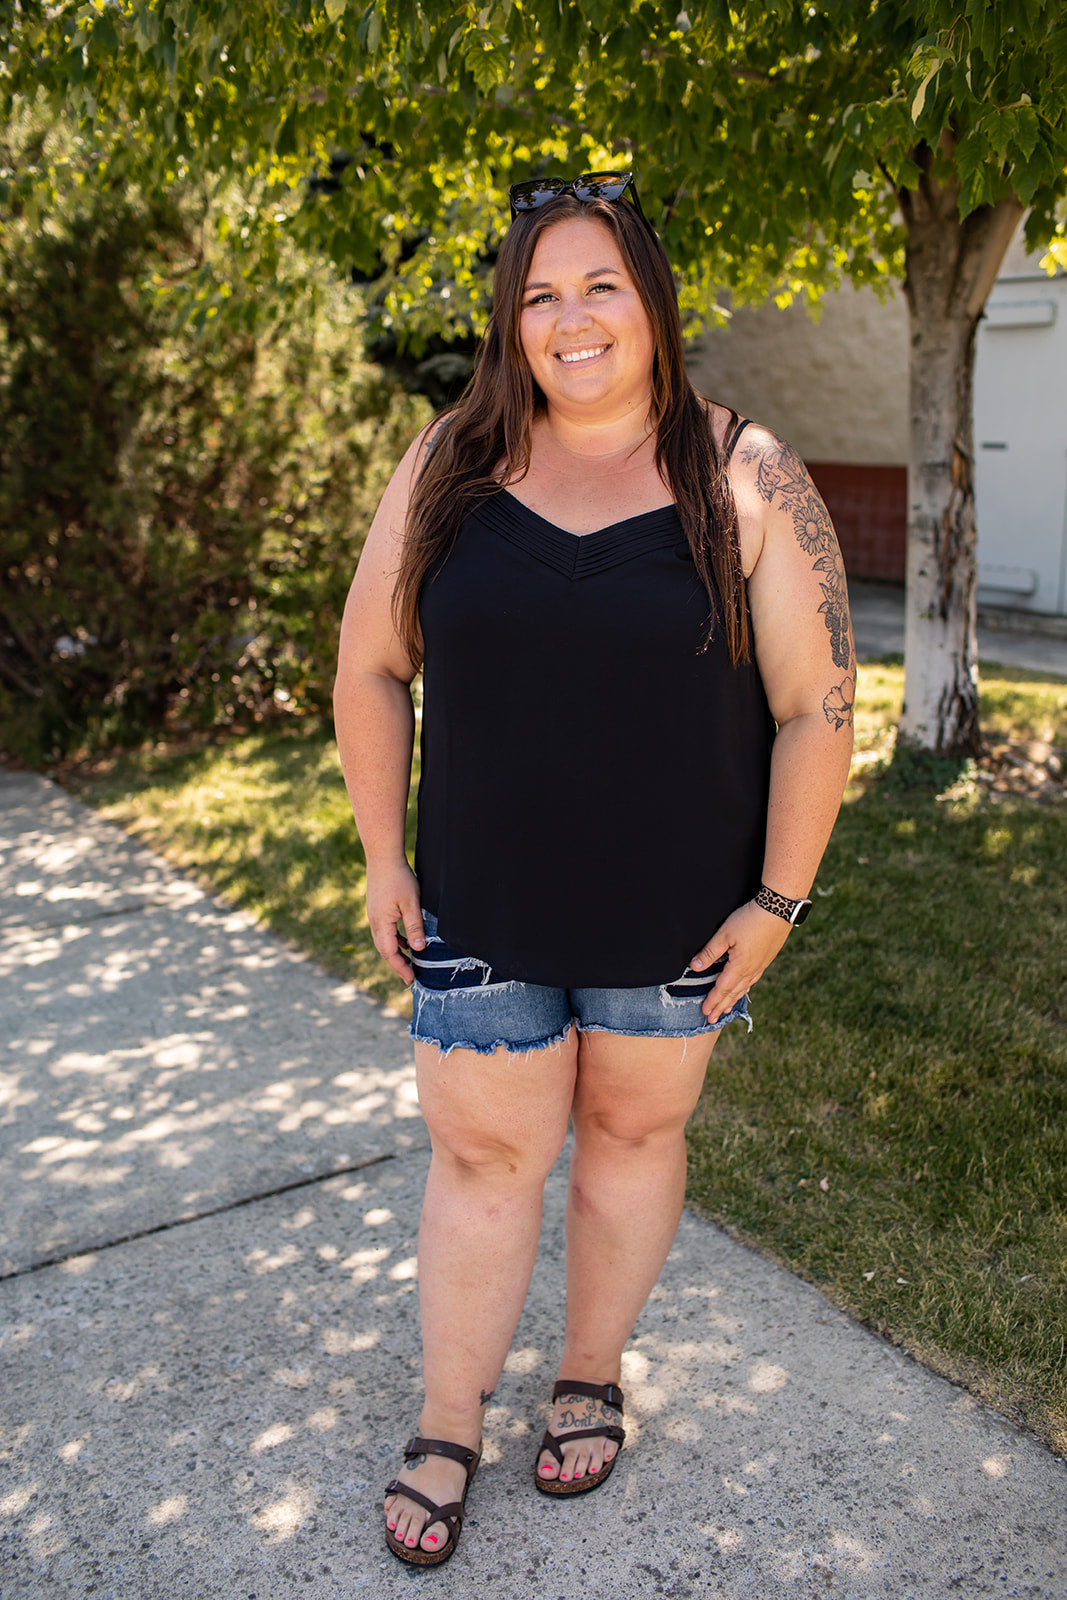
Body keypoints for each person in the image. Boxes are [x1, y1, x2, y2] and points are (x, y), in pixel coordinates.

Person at [333, 171, 855, 1568]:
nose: (571, 320)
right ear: (511, 322)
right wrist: (382, 856)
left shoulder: (747, 472)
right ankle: (448, 1421)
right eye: (540, 295)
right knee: (484, 1156)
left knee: (630, 1142)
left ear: (654, 304)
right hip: (480, 903)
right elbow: (371, 666)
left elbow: (819, 705)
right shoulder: (448, 462)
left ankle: (588, 1375)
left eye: (601, 285)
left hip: (677, 920)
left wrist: (778, 899)